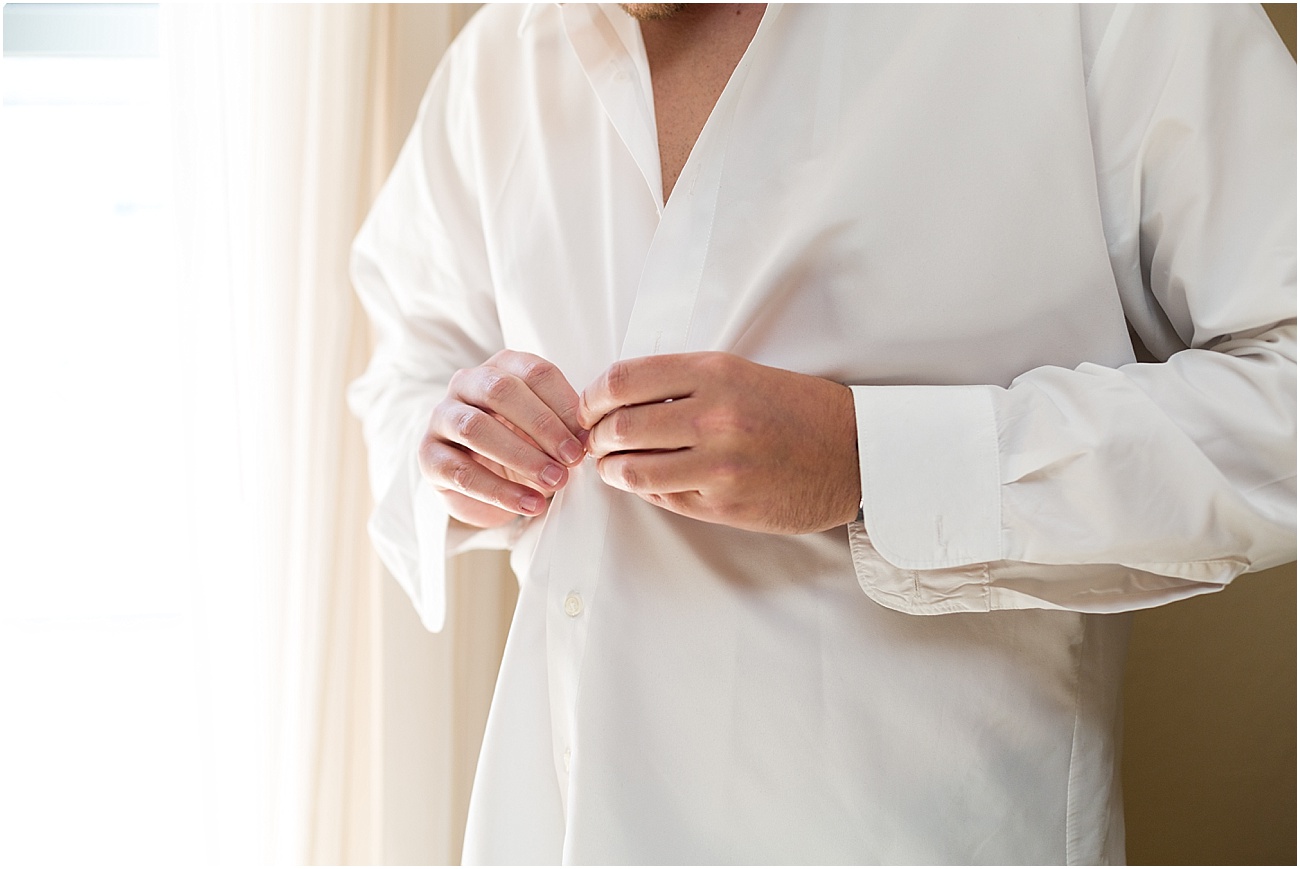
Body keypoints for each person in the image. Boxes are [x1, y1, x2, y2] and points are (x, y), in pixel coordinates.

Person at [349, 4, 1296, 863]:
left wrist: (870, 461)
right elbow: (406, 371)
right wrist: (456, 448)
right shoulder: (498, 57)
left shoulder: (1108, 18)